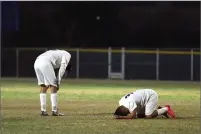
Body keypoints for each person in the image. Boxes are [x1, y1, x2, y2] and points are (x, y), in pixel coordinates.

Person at [34, 49, 72, 116]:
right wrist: (58, 82)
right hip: (45, 62)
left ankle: (43, 110)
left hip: (37, 62)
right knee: (53, 85)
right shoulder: (67, 55)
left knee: (43, 85)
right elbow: (62, 68)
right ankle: (54, 111)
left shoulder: (59, 53)